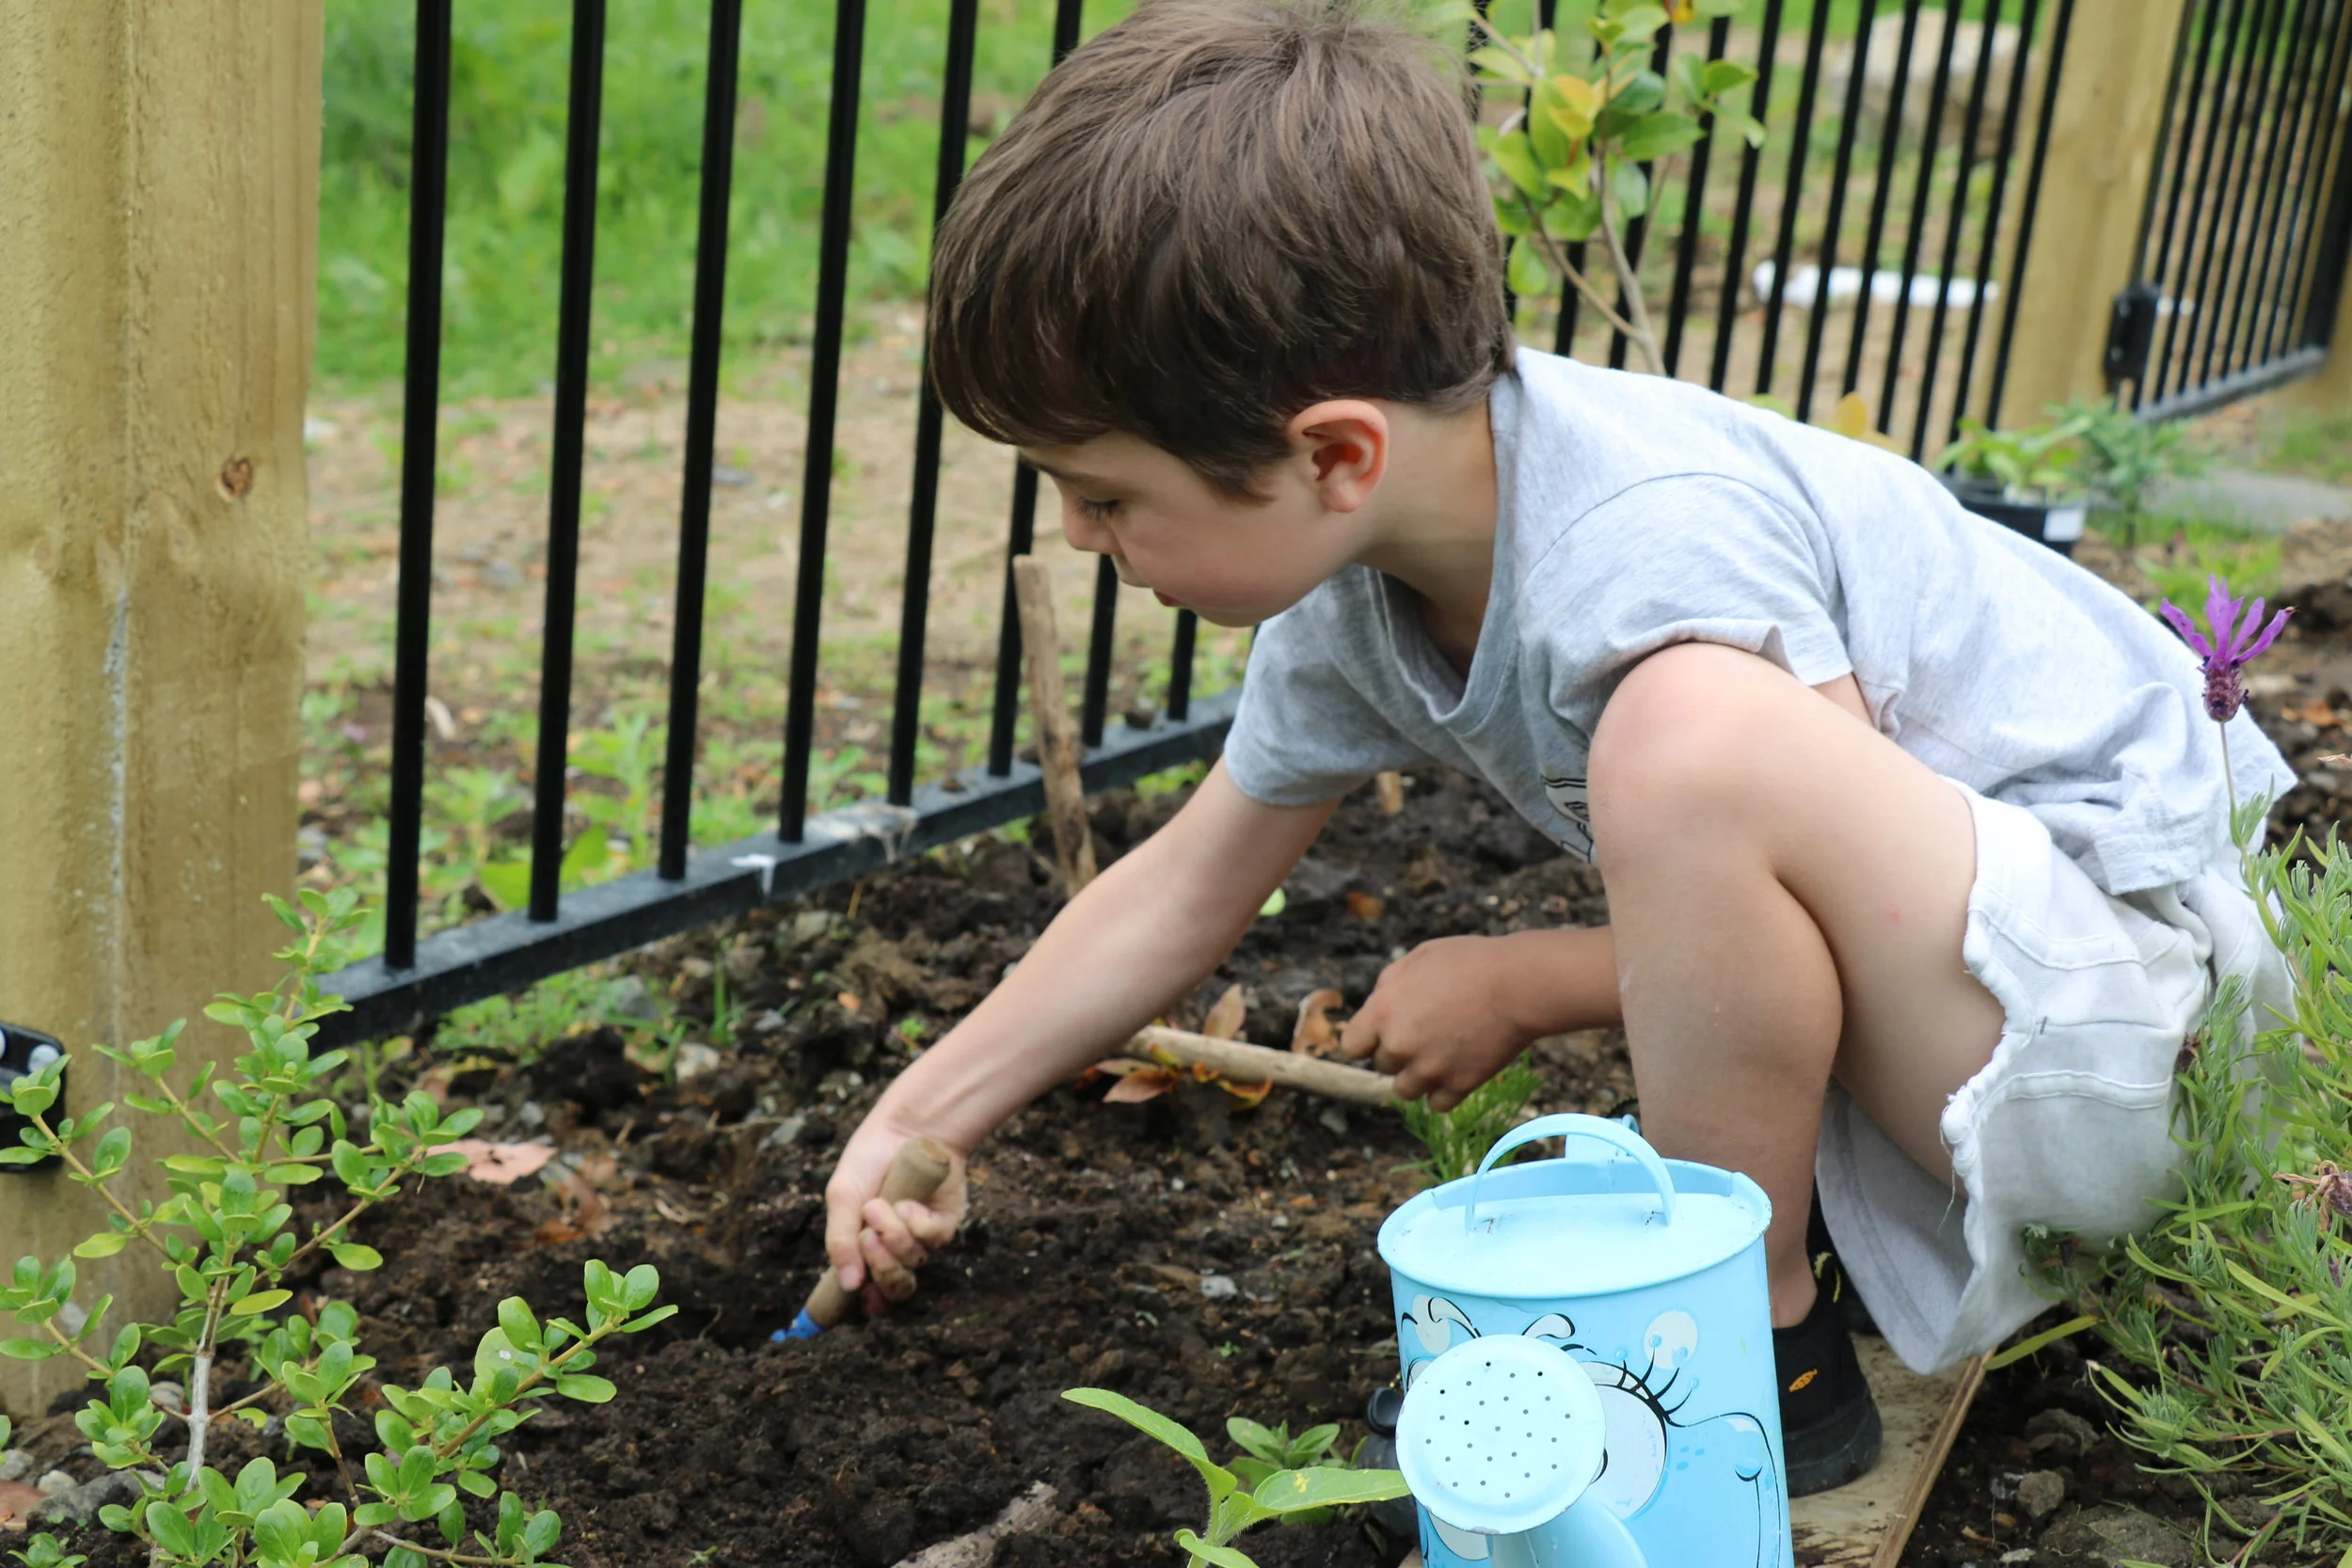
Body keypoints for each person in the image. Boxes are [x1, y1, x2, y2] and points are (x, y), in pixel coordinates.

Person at [817, 0, 2293, 1498]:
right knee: (1682, 758)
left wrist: (1524, 977)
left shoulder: (1641, 546)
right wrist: (917, 1116)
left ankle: (1748, 1349)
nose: (1077, 532)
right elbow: (1182, 888)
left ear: (1335, 455)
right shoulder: (1364, 587)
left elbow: (1834, 903)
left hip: (2157, 1057)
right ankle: (1768, 1266)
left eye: (1104, 492)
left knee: (1685, 743)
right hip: (1993, 1033)